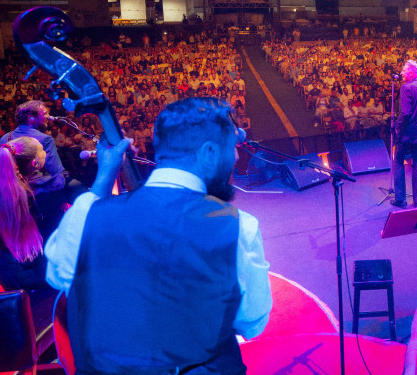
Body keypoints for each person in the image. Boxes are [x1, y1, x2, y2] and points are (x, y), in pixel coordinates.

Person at [45, 97, 272, 374]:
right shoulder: (238, 227)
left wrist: (105, 174)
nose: (236, 157)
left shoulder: (86, 215)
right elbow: (252, 322)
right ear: (210, 152)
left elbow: (57, 276)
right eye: (232, 148)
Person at [0, 136, 79, 290]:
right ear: (35, 162)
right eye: (42, 149)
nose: (46, 152)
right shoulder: (58, 185)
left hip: (10, 272)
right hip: (52, 267)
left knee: (23, 313)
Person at [391, 60, 417, 208]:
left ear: (411, 73)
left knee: (398, 161)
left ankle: (401, 199)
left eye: (403, 70)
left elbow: (406, 112)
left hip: (406, 133)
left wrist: (397, 128)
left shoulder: (406, 88)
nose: (401, 73)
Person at [0, 100, 67, 185]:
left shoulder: (5, 138)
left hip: (10, 188)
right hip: (34, 190)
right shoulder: (45, 139)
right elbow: (55, 171)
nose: (48, 117)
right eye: (45, 114)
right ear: (31, 118)